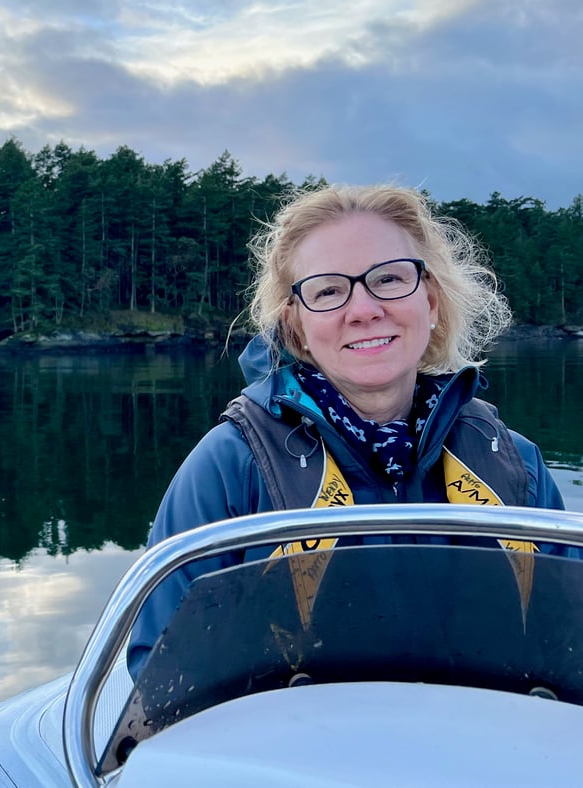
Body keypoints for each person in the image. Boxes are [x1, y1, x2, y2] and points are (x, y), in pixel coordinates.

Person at [126, 184, 566, 678]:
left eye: (390, 278)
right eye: (329, 291)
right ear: (295, 327)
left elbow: (568, 643)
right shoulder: (232, 467)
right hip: (292, 751)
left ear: (432, 302)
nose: (363, 309)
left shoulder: (514, 464)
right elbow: (166, 672)